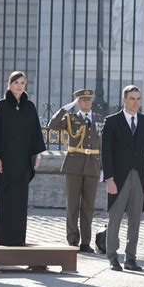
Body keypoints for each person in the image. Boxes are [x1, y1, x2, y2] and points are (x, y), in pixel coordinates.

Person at [0, 71, 46, 246]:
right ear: (9, 84)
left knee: (20, 200)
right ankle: (3, 238)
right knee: (5, 199)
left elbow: (35, 134)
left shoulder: (29, 107)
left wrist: (37, 155)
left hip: (23, 162)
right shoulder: (1, 105)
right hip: (5, 162)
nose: (19, 86)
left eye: (23, 83)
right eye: (16, 82)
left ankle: (18, 239)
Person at [102, 85, 144, 272]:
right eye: (132, 98)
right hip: (118, 177)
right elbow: (106, 153)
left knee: (135, 219)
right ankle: (112, 256)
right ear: (124, 99)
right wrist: (108, 178)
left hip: (139, 177)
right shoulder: (112, 121)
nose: (135, 102)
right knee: (115, 217)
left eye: (138, 99)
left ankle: (131, 258)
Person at [48, 89, 103, 253]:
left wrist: (104, 168)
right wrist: (65, 109)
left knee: (88, 206)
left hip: (92, 165)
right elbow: (52, 125)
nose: (86, 102)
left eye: (89, 100)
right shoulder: (71, 118)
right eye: (82, 100)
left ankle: (86, 242)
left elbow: (104, 145)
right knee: (72, 205)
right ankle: (73, 239)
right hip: (73, 166)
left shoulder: (100, 120)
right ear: (77, 102)